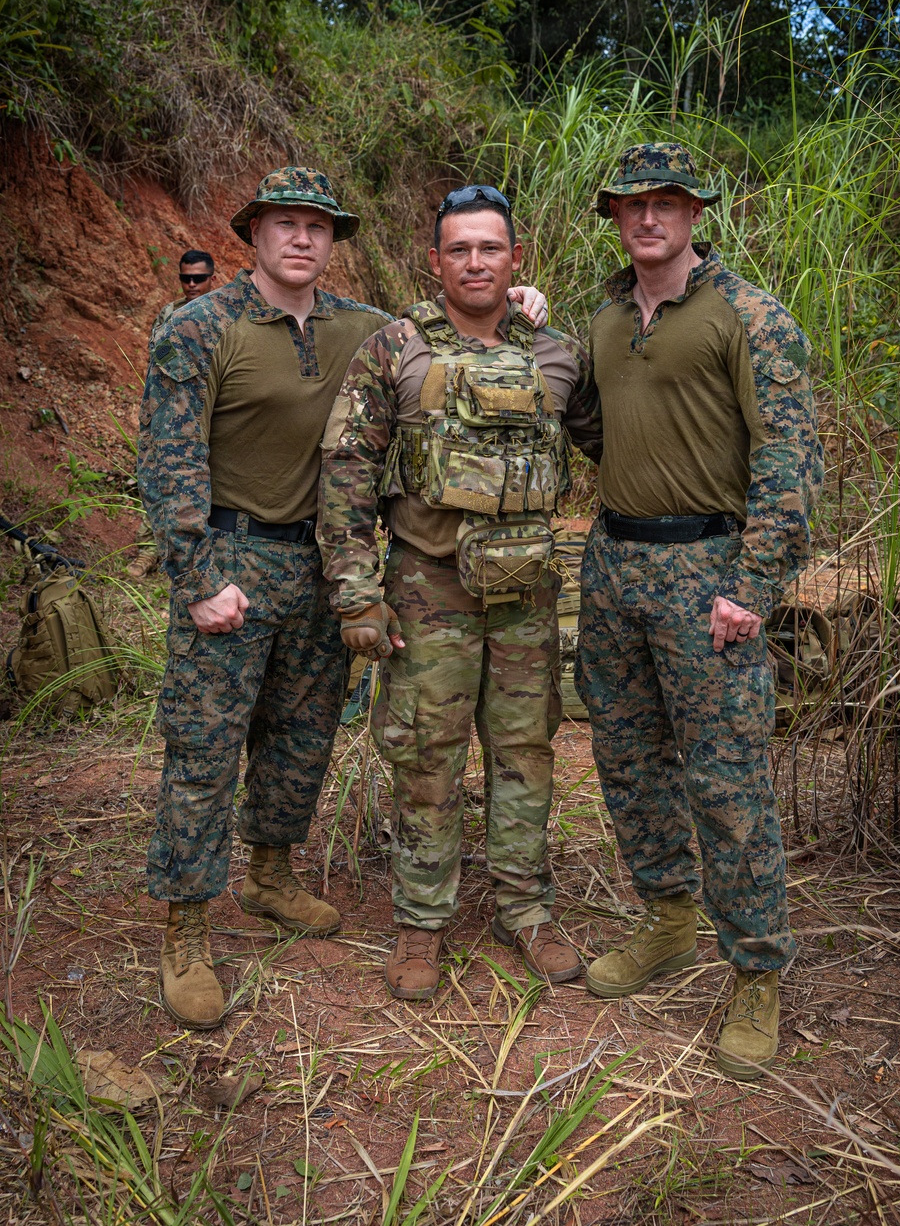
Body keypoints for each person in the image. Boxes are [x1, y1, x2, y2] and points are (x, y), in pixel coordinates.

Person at [139, 168, 548, 1031]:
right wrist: (198, 576)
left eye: (317, 228)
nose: (301, 239)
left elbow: (450, 327)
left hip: (321, 566)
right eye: (285, 224)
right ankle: (186, 928)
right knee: (205, 748)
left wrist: (516, 305)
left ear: (333, 242)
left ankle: (270, 874)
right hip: (231, 554)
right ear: (254, 232)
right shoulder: (200, 327)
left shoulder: (361, 327)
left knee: (301, 737)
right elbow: (168, 460)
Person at [318, 184, 602, 1000]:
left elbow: (612, 446)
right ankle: (421, 919)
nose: (476, 262)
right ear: (434, 260)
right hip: (425, 588)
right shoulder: (394, 350)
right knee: (425, 754)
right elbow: (348, 470)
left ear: (517, 257)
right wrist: (356, 592)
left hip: (526, 594)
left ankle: (527, 909)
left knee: (526, 751)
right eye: (459, 249)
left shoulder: (559, 354)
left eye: (490, 247)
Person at [575, 143, 822, 1079]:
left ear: (694, 214)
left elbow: (789, 460)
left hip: (708, 570)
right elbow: (593, 428)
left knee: (726, 779)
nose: (649, 218)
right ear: (615, 215)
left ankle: (756, 969)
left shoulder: (748, 316)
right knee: (629, 759)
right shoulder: (606, 322)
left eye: (667, 203)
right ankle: (668, 917)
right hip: (614, 564)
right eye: (633, 204)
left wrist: (752, 586)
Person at [148, 249, 218, 354]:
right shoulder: (169, 312)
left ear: (212, 279)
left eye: (198, 278)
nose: (191, 284)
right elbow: (156, 352)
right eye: (186, 278)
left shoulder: (225, 312)